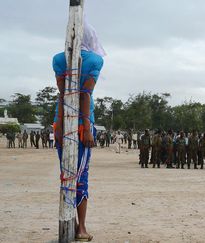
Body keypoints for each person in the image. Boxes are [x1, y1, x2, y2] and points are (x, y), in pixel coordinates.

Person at [52, 18, 105, 241]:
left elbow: (63, 95)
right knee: (81, 175)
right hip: (83, 123)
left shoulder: (58, 59)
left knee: (66, 174)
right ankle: (81, 228)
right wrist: (86, 128)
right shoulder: (95, 60)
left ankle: (70, 223)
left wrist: (59, 125)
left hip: (62, 121)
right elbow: (85, 95)